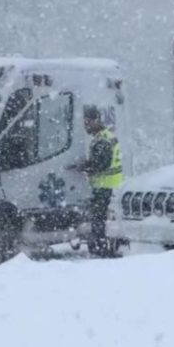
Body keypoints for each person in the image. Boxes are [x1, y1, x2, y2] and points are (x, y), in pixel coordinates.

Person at [67, 107, 123, 256]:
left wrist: (83, 167)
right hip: (109, 185)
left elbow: (100, 164)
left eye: (88, 122)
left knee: (99, 219)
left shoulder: (102, 140)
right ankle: (101, 244)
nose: (86, 126)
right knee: (101, 218)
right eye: (85, 123)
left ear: (96, 121)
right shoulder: (105, 137)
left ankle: (100, 246)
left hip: (105, 187)